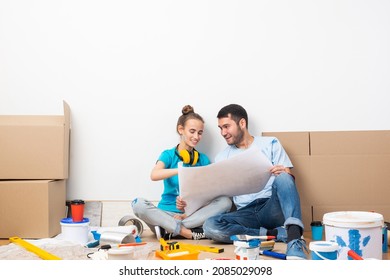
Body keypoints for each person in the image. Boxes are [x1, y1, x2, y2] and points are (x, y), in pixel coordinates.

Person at [203, 104, 308, 259]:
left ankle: (294, 239)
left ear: (242, 123)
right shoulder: (221, 158)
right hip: (245, 214)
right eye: (220, 128)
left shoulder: (270, 143)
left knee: (285, 178)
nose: (223, 133)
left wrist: (284, 172)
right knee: (210, 226)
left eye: (226, 126)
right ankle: (274, 234)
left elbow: (288, 182)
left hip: (271, 207)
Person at [132, 105, 232, 240]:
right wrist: (180, 171)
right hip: (164, 214)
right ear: (181, 130)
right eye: (192, 131)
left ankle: (171, 229)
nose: (196, 137)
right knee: (137, 204)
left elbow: (210, 194)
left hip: (191, 216)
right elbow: (154, 175)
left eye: (200, 133)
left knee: (226, 202)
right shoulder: (168, 155)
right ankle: (185, 232)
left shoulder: (203, 159)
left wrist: (189, 210)